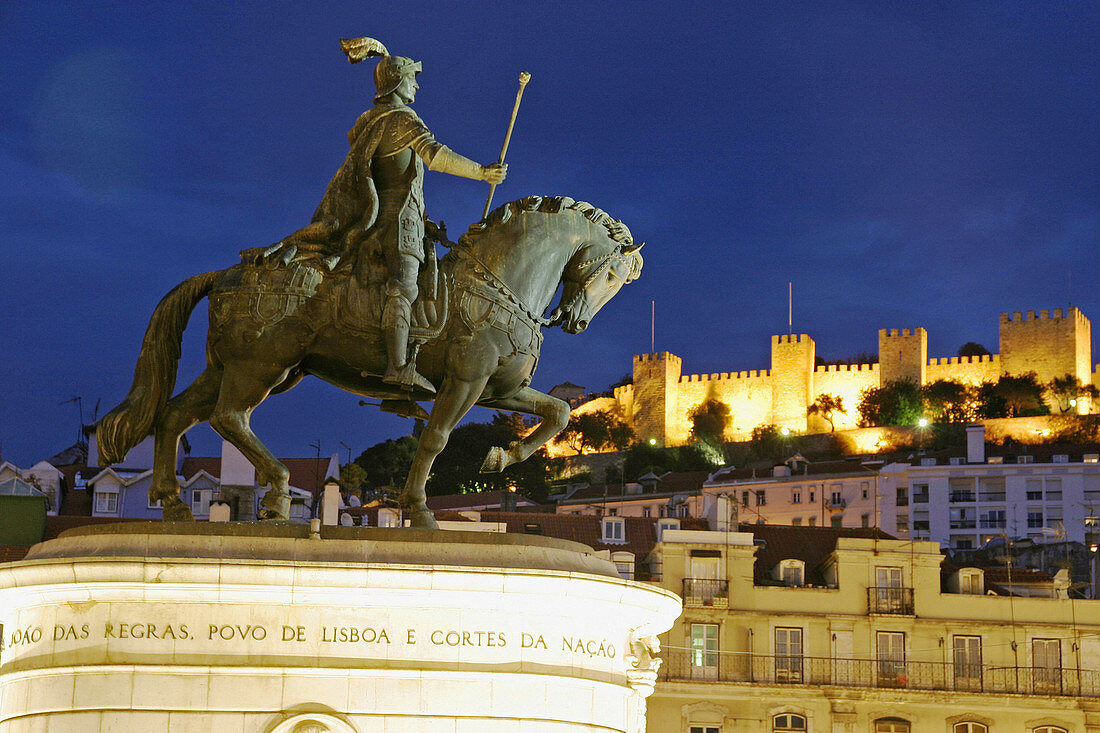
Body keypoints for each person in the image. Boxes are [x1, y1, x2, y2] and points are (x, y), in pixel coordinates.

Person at [271, 42, 505, 393]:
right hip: (398, 223)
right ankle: (397, 366)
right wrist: (483, 172)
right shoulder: (399, 120)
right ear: (396, 82)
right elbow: (436, 156)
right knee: (403, 286)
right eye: (413, 78)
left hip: (395, 218)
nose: (417, 86)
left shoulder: (370, 123)